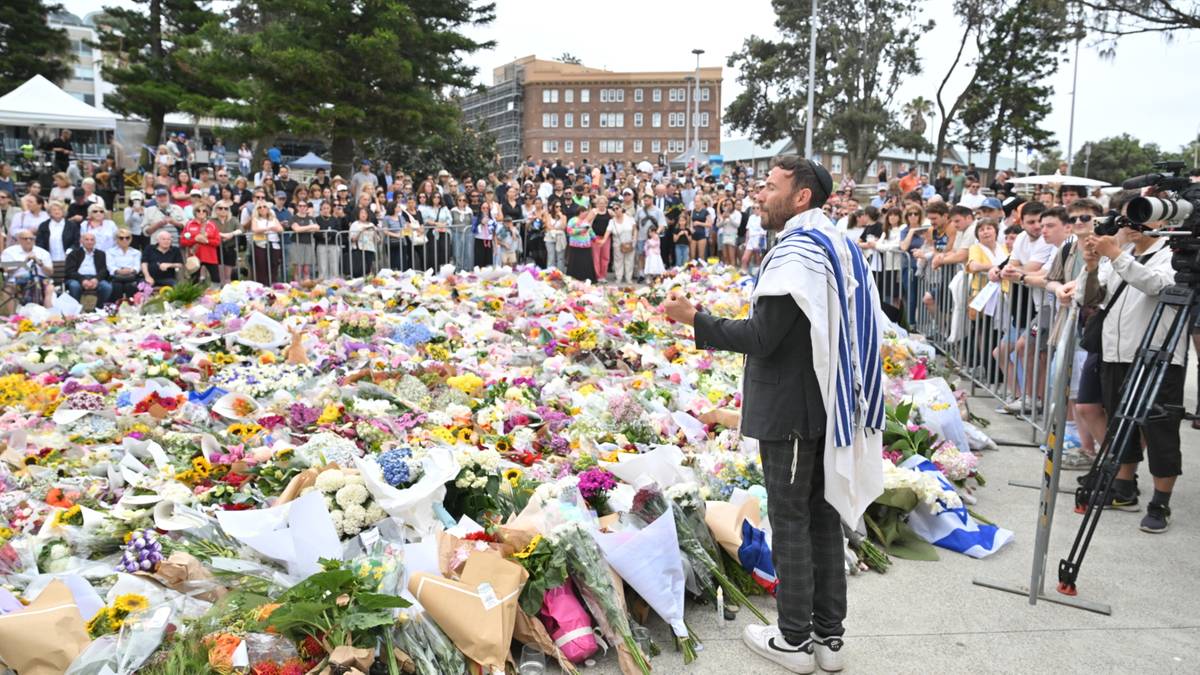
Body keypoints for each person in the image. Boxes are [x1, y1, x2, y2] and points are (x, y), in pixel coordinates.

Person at [661, 157, 881, 674]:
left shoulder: (800, 252)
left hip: (793, 410)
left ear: (800, 196)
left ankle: (794, 639)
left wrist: (696, 319)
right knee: (823, 518)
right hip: (828, 404)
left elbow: (762, 337)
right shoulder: (838, 243)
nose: (760, 194)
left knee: (793, 521)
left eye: (771, 186)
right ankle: (829, 640)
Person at [1081, 195, 1184, 534]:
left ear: (1161, 218)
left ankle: (1161, 502)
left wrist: (1115, 255)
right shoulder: (1124, 254)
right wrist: (1094, 266)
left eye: (1138, 217)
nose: (1128, 225)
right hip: (1116, 351)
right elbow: (1093, 298)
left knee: (1159, 428)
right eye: (1126, 218)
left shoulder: (1175, 255)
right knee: (1118, 420)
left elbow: (1157, 286)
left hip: (1158, 354)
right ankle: (1124, 487)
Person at [1, 231, 55, 311]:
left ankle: (48, 316)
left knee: (50, 288)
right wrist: (23, 263)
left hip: (40, 280)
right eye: (25, 239)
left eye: (31, 239)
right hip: (17, 281)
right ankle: (13, 318)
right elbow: (6, 268)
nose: (28, 241)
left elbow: (50, 272)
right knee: (8, 290)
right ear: (19, 240)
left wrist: (40, 264)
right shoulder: (9, 252)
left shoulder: (43, 252)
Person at [64, 231, 112, 306]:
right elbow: (70, 271)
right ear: (81, 241)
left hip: (95, 278)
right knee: (74, 286)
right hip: (77, 278)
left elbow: (104, 270)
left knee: (107, 287)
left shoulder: (101, 254)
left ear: (95, 241)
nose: (89, 242)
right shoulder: (74, 253)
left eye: (92, 240)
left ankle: (99, 308)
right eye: (87, 239)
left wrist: (96, 279)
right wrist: (82, 280)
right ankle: (76, 309)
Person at [181, 203, 221, 283]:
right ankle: (196, 295)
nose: (201, 212)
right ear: (194, 212)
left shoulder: (212, 225)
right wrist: (195, 240)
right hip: (194, 257)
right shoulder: (189, 225)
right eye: (198, 210)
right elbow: (183, 241)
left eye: (204, 211)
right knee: (194, 281)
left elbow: (217, 242)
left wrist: (206, 241)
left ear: (207, 213)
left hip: (210, 256)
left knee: (216, 279)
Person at [107, 228, 142, 302]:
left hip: (131, 276)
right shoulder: (110, 252)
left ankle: (132, 307)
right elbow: (110, 266)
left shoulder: (136, 252)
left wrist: (130, 270)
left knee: (131, 285)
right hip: (116, 277)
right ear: (116, 239)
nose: (124, 240)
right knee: (116, 286)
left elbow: (137, 267)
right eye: (121, 238)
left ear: (131, 239)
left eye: (127, 237)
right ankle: (115, 307)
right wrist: (119, 271)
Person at [288, 200, 319, 281]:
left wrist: (302, 228)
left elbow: (317, 228)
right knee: (298, 269)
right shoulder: (293, 218)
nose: (302, 208)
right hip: (297, 244)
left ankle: (306, 287)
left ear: (307, 208)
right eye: (300, 206)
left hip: (308, 244)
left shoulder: (311, 218)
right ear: (297, 207)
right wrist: (310, 227)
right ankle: (297, 287)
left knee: (306, 269)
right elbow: (296, 229)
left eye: (304, 206)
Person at [565, 208, 595, 282]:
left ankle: (586, 278)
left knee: (586, 262)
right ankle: (574, 278)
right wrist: (581, 230)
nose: (586, 214)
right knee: (575, 262)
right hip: (575, 245)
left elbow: (590, 230)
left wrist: (594, 238)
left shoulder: (586, 221)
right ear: (581, 212)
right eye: (585, 213)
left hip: (586, 245)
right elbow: (569, 231)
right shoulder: (573, 220)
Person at [609, 202, 636, 285]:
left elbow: (635, 229)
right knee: (618, 261)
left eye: (617, 208)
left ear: (621, 208)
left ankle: (628, 278)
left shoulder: (629, 218)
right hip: (618, 243)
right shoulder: (612, 221)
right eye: (613, 209)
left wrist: (634, 239)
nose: (615, 210)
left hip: (629, 242)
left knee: (629, 261)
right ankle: (619, 277)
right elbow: (608, 231)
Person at [348, 206, 379, 277]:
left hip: (370, 249)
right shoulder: (355, 224)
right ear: (358, 214)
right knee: (360, 269)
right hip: (359, 249)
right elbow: (352, 239)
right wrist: (360, 231)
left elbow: (377, 239)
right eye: (361, 213)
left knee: (369, 269)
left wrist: (375, 233)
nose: (363, 214)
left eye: (365, 213)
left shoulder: (371, 224)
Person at [314, 200, 341, 280]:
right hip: (321, 244)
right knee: (322, 266)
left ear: (330, 209)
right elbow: (315, 232)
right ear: (321, 209)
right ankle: (322, 283)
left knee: (334, 265)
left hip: (333, 244)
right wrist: (323, 235)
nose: (326, 210)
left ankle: (335, 282)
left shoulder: (334, 219)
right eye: (324, 208)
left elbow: (338, 231)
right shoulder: (317, 219)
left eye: (327, 208)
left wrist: (329, 234)